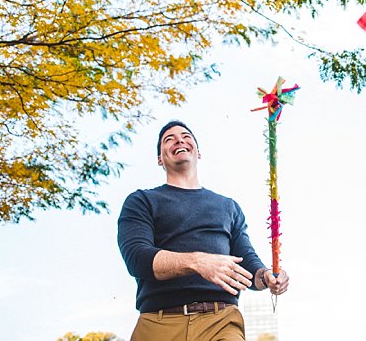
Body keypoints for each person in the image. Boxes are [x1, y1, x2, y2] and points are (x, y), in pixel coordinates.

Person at [118, 120, 289, 341]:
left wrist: (266, 277)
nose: (179, 140)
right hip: (159, 322)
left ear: (198, 152)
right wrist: (198, 262)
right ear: (160, 159)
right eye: (169, 139)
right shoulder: (141, 201)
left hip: (221, 322)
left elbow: (246, 262)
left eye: (186, 136)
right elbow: (137, 258)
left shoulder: (228, 206)